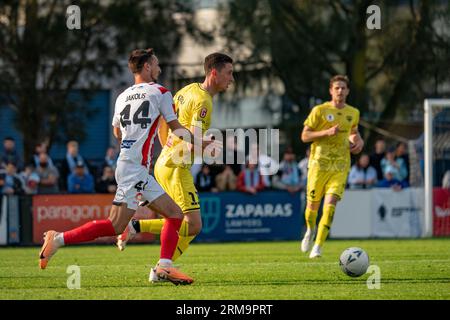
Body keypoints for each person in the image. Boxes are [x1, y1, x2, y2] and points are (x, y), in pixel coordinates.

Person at [38, 48, 211, 285]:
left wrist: (133, 142)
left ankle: (58, 239)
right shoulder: (160, 92)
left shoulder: (121, 97)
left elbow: (116, 132)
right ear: (147, 67)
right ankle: (163, 266)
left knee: (139, 220)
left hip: (127, 164)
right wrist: (200, 141)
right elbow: (176, 127)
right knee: (158, 217)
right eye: (157, 64)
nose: (159, 69)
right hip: (136, 169)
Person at [116, 53, 233, 283]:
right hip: (176, 167)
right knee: (194, 224)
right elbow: (195, 140)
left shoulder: (188, 90)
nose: (232, 78)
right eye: (229, 73)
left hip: (166, 163)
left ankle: (136, 228)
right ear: (214, 72)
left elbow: (163, 119)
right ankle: (163, 267)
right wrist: (212, 150)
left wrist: (167, 147)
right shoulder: (204, 102)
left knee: (180, 220)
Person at [300, 75, 364, 258]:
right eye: (337, 88)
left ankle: (318, 246)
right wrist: (327, 132)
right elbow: (305, 136)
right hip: (318, 165)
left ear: (348, 91)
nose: (340, 91)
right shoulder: (319, 111)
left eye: (343, 88)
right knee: (312, 208)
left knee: (329, 207)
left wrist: (358, 142)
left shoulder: (353, 113)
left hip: (340, 166)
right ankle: (310, 230)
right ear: (331, 90)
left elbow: (353, 133)